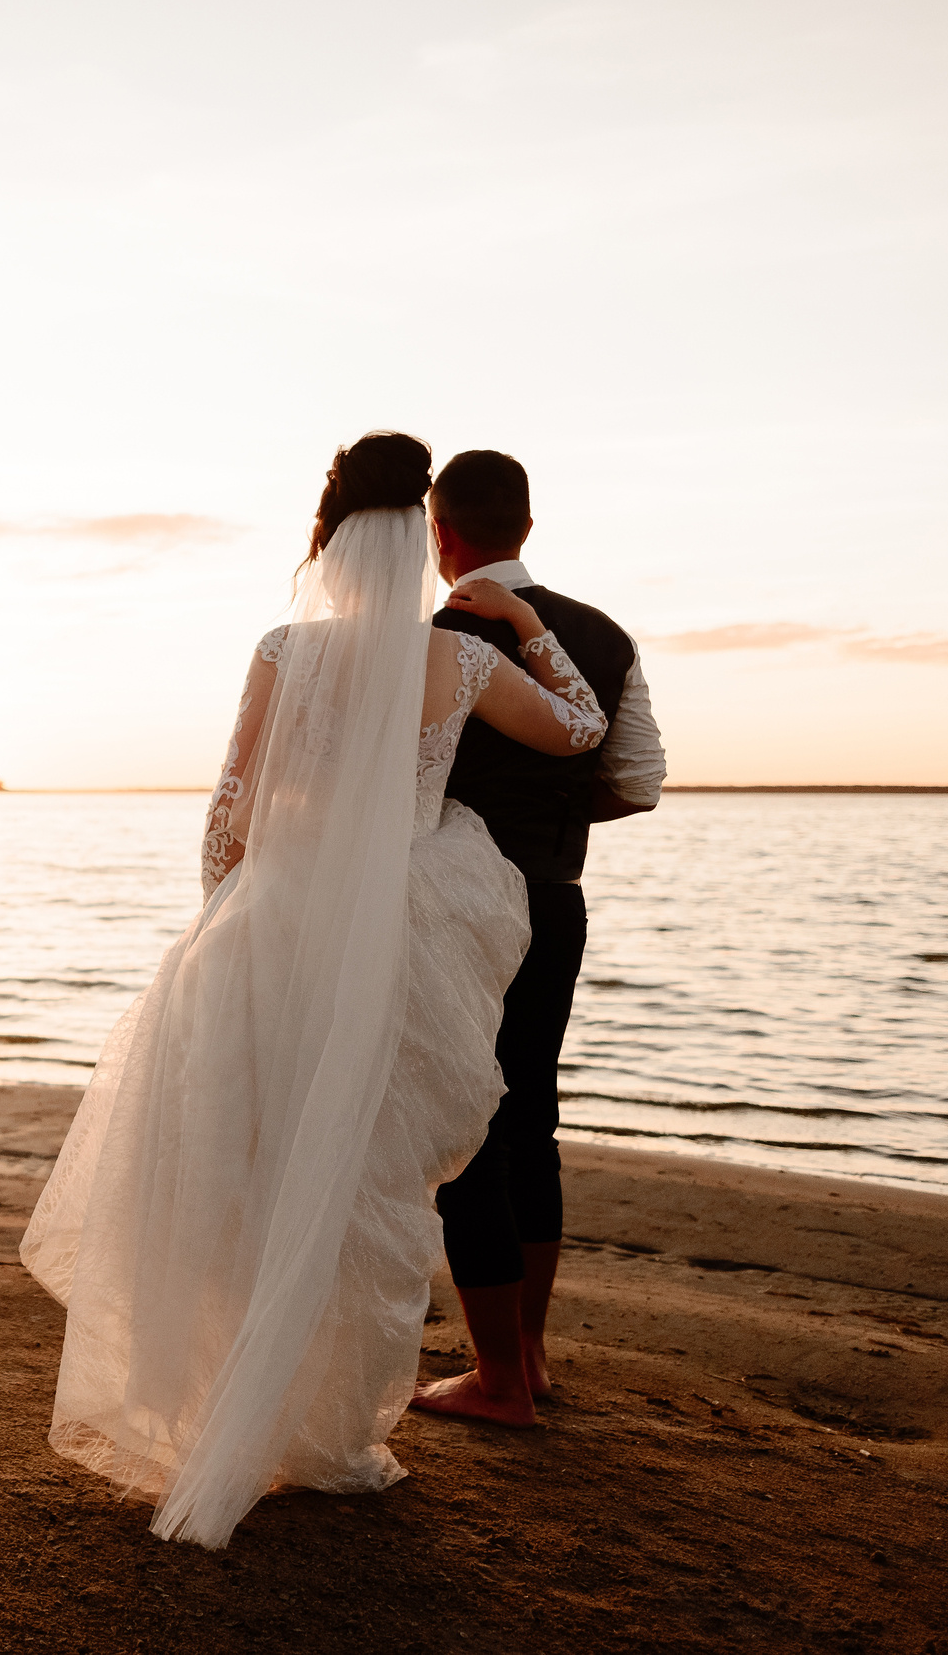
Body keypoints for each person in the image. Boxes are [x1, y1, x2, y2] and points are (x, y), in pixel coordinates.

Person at [20, 431, 608, 1548]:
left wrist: (217, 926)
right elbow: (579, 729)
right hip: (394, 946)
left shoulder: (285, 648)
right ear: (420, 542)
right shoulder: (464, 661)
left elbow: (228, 816)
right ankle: (326, 1430)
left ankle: (213, 1409)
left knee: (239, 1168)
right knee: (361, 1185)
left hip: (266, 934)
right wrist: (524, 620)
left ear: (330, 543)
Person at [411, 448, 666, 1428]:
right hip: (557, 895)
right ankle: (529, 1354)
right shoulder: (601, 635)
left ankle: (496, 1381)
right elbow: (633, 782)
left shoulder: (433, 637)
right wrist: (546, 824)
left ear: (440, 531)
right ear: (526, 522)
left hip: (459, 902)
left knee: (469, 1125)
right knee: (531, 1117)